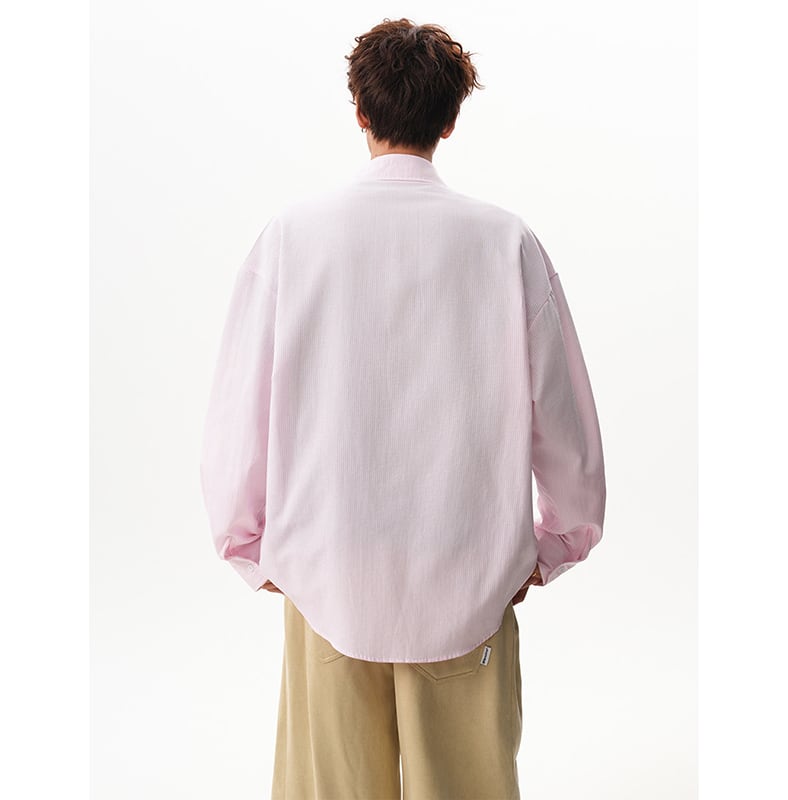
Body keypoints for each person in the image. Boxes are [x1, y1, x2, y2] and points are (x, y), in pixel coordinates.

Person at [200, 16, 606, 800]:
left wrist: (247, 543)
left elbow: (237, 410)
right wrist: (557, 542)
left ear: (359, 111)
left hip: (328, 572)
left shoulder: (291, 239)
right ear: (449, 121)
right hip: (468, 575)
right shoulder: (506, 243)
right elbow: (564, 418)